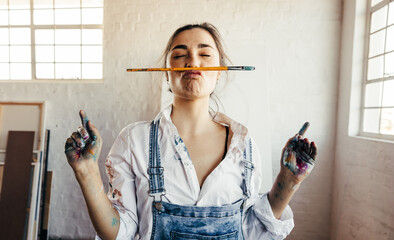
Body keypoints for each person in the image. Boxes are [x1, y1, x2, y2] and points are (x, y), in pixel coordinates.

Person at [65, 22, 317, 240]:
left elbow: (250, 231)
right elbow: (119, 233)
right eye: (179, 54)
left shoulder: (244, 144)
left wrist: (289, 181)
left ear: (220, 72)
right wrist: (87, 173)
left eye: (205, 54)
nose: (193, 61)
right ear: (166, 74)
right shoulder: (134, 141)